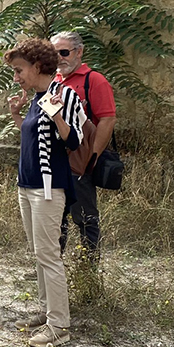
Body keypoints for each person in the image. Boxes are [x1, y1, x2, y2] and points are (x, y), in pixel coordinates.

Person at [5, 39, 85, 347]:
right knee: (40, 253)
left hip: (49, 188)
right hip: (27, 185)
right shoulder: (37, 97)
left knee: (49, 255)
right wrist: (17, 116)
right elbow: (34, 139)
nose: (16, 76)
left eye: (19, 70)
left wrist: (58, 117)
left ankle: (59, 326)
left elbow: (74, 141)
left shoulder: (64, 95)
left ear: (37, 67)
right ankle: (46, 311)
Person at [52, 31, 117, 258]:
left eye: (64, 52)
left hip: (81, 161)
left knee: (85, 216)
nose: (59, 58)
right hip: (57, 160)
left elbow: (107, 119)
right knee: (54, 216)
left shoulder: (94, 81)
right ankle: (53, 264)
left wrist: (94, 156)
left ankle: (89, 267)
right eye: (55, 53)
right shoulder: (54, 81)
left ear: (79, 52)